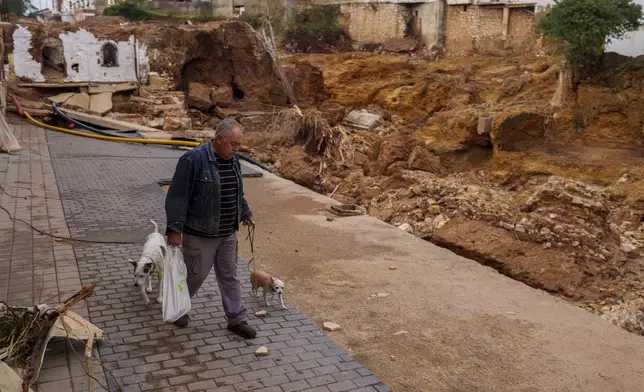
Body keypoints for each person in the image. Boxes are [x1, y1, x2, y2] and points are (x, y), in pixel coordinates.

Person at [164, 118, 256, 339]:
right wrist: (174, 230)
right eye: (233, 144)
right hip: (200, 233)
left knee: (229, 276)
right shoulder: (193, 160)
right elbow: (177, 197)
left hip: (227, 233)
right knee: (194, 275)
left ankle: (237, 319)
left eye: (239, 144)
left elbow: (237, 191)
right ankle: (180, 309)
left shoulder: (233, 160)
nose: (236, 148)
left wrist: (245, 212)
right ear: (218, 140)